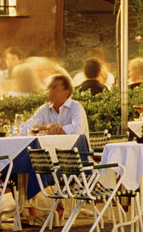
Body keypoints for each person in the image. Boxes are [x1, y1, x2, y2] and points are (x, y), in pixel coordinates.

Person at [11, 74, 90, 221]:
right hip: (47, 159)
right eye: (50, 88)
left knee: (35, 165)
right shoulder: (44, 109)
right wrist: (47, 127)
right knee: (28, 164)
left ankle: (44, 210)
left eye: (55, 87)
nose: (51, 91)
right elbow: (25, 128)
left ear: (67, 91)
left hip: (72, 161)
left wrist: (60, 129)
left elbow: (77, 130)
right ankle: (41, 209)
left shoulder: (75, 107)